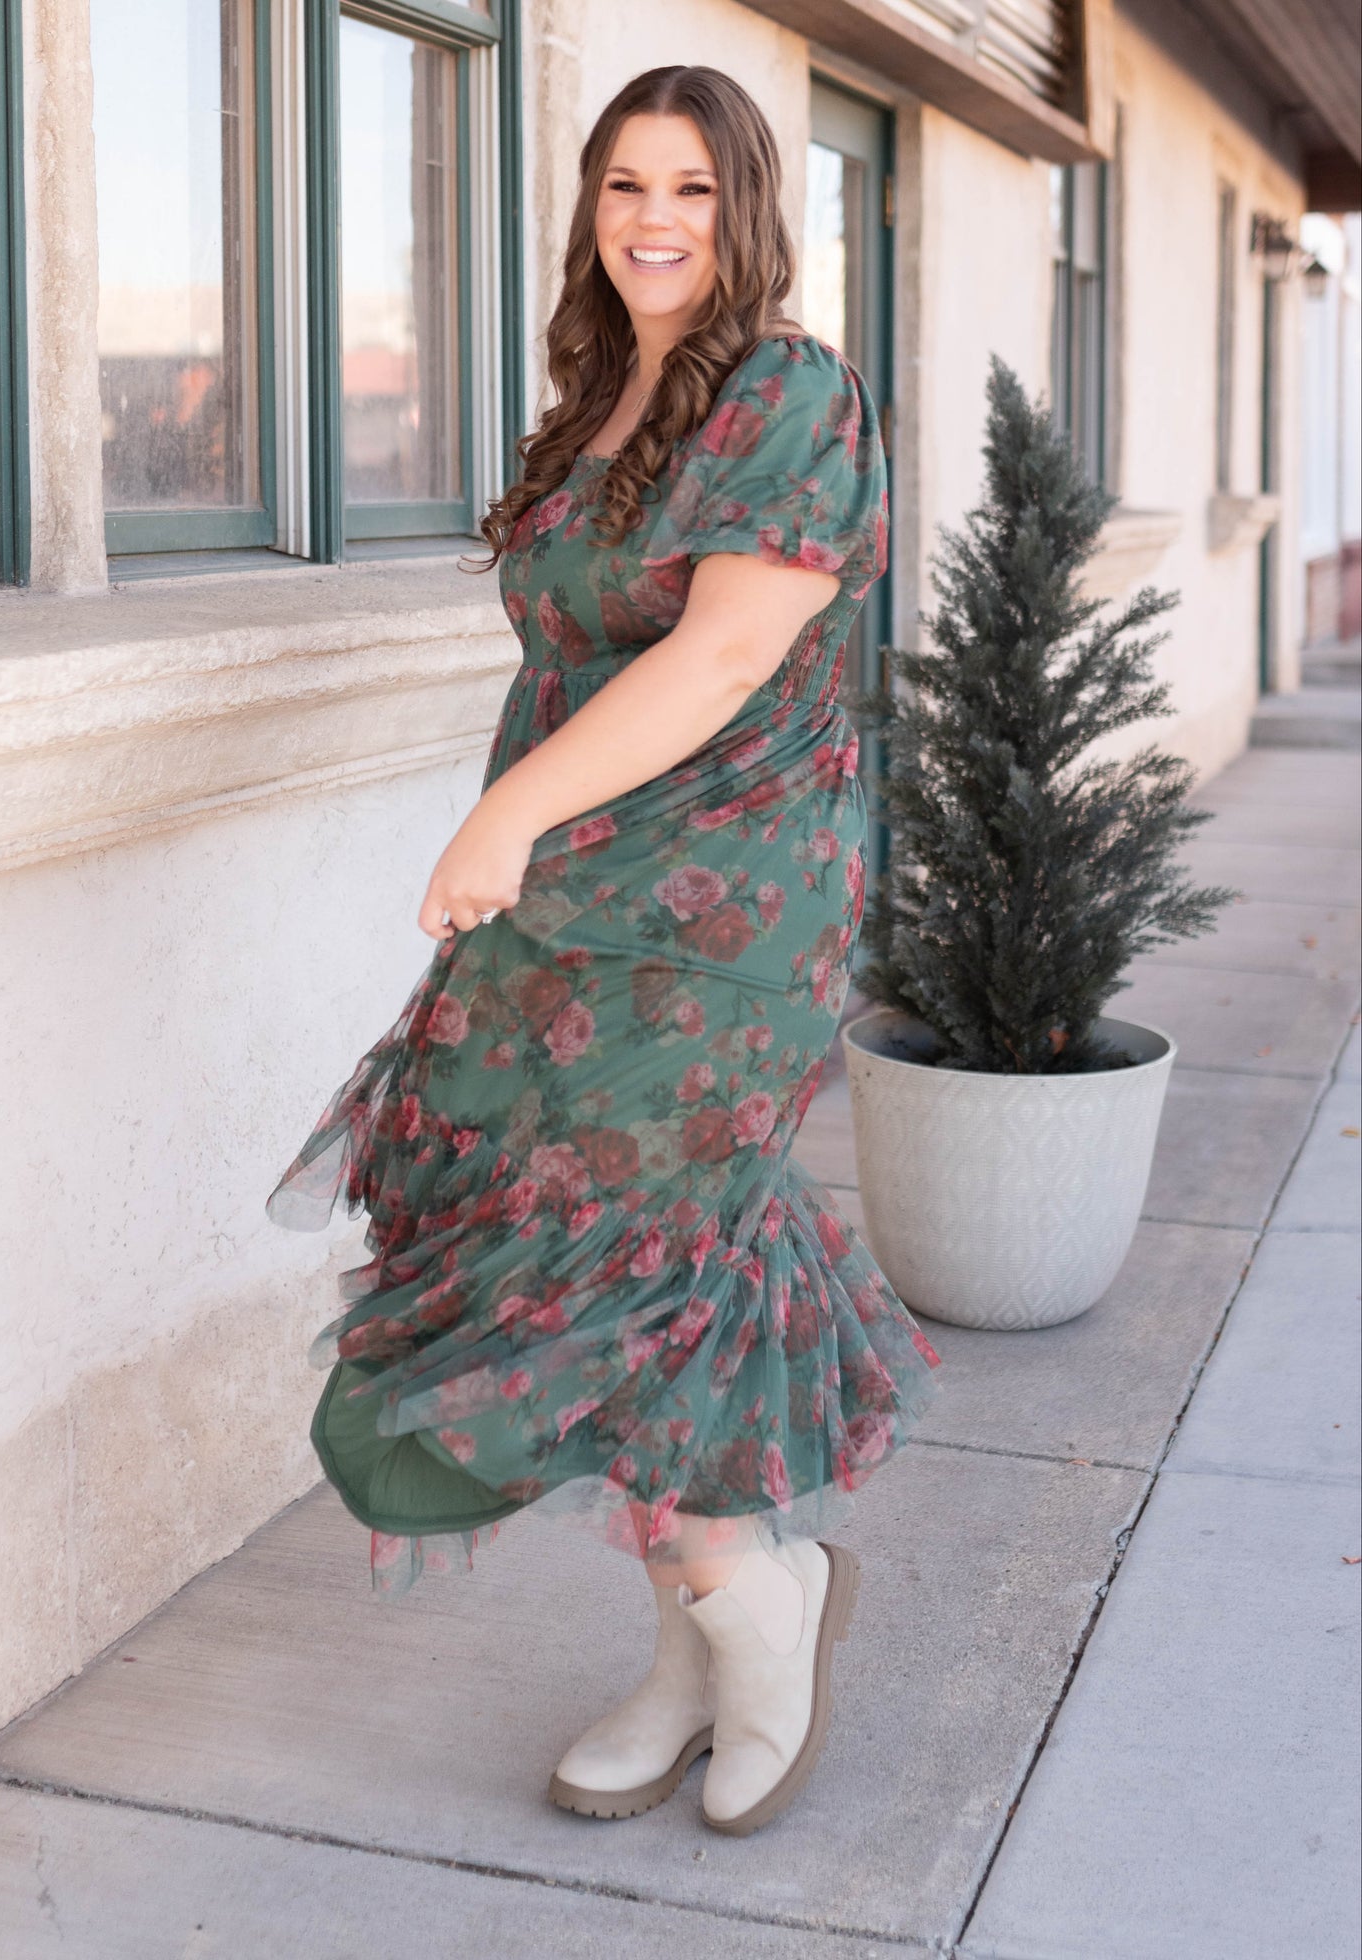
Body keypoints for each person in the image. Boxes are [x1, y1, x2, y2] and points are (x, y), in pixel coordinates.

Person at [268, 63, 942, 1839]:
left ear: (747, 212)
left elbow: (722, 658)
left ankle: (759, 1608)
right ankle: (695, 1649)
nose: (654, 220)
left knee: (644, 1261)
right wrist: (527, 839)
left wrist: (499, 816)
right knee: (591, 1256)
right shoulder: (601, 397)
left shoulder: (792, 391)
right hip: (575, 902)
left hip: (724, 909)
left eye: (693, 190)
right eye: (626, 184)